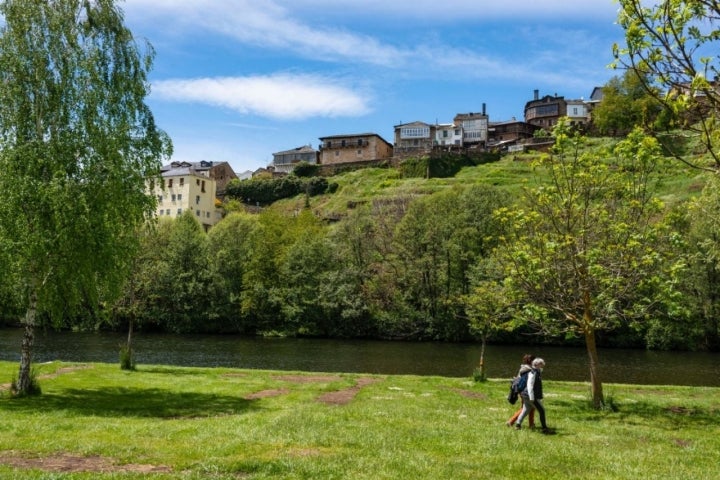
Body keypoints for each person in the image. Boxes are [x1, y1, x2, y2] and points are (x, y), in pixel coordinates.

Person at [515, 357, 551, 433]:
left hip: (525, 395)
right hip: (530, 396)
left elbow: (540, 370)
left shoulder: (536, 371)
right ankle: (544, 428)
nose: (542, 365)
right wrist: (532, 397)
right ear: (537, 364)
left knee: (526, 410)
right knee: (542, 410)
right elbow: (530, 385)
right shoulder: (533, 373)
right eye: (541, 364)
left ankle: (518, 425)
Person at [506, 354, 535, 428]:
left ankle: (531, 424)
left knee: (531, 407)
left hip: (520, 390)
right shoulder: (530, 370)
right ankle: (511, 421)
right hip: (526, 391)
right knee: (525, 408)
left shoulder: (523, 368)